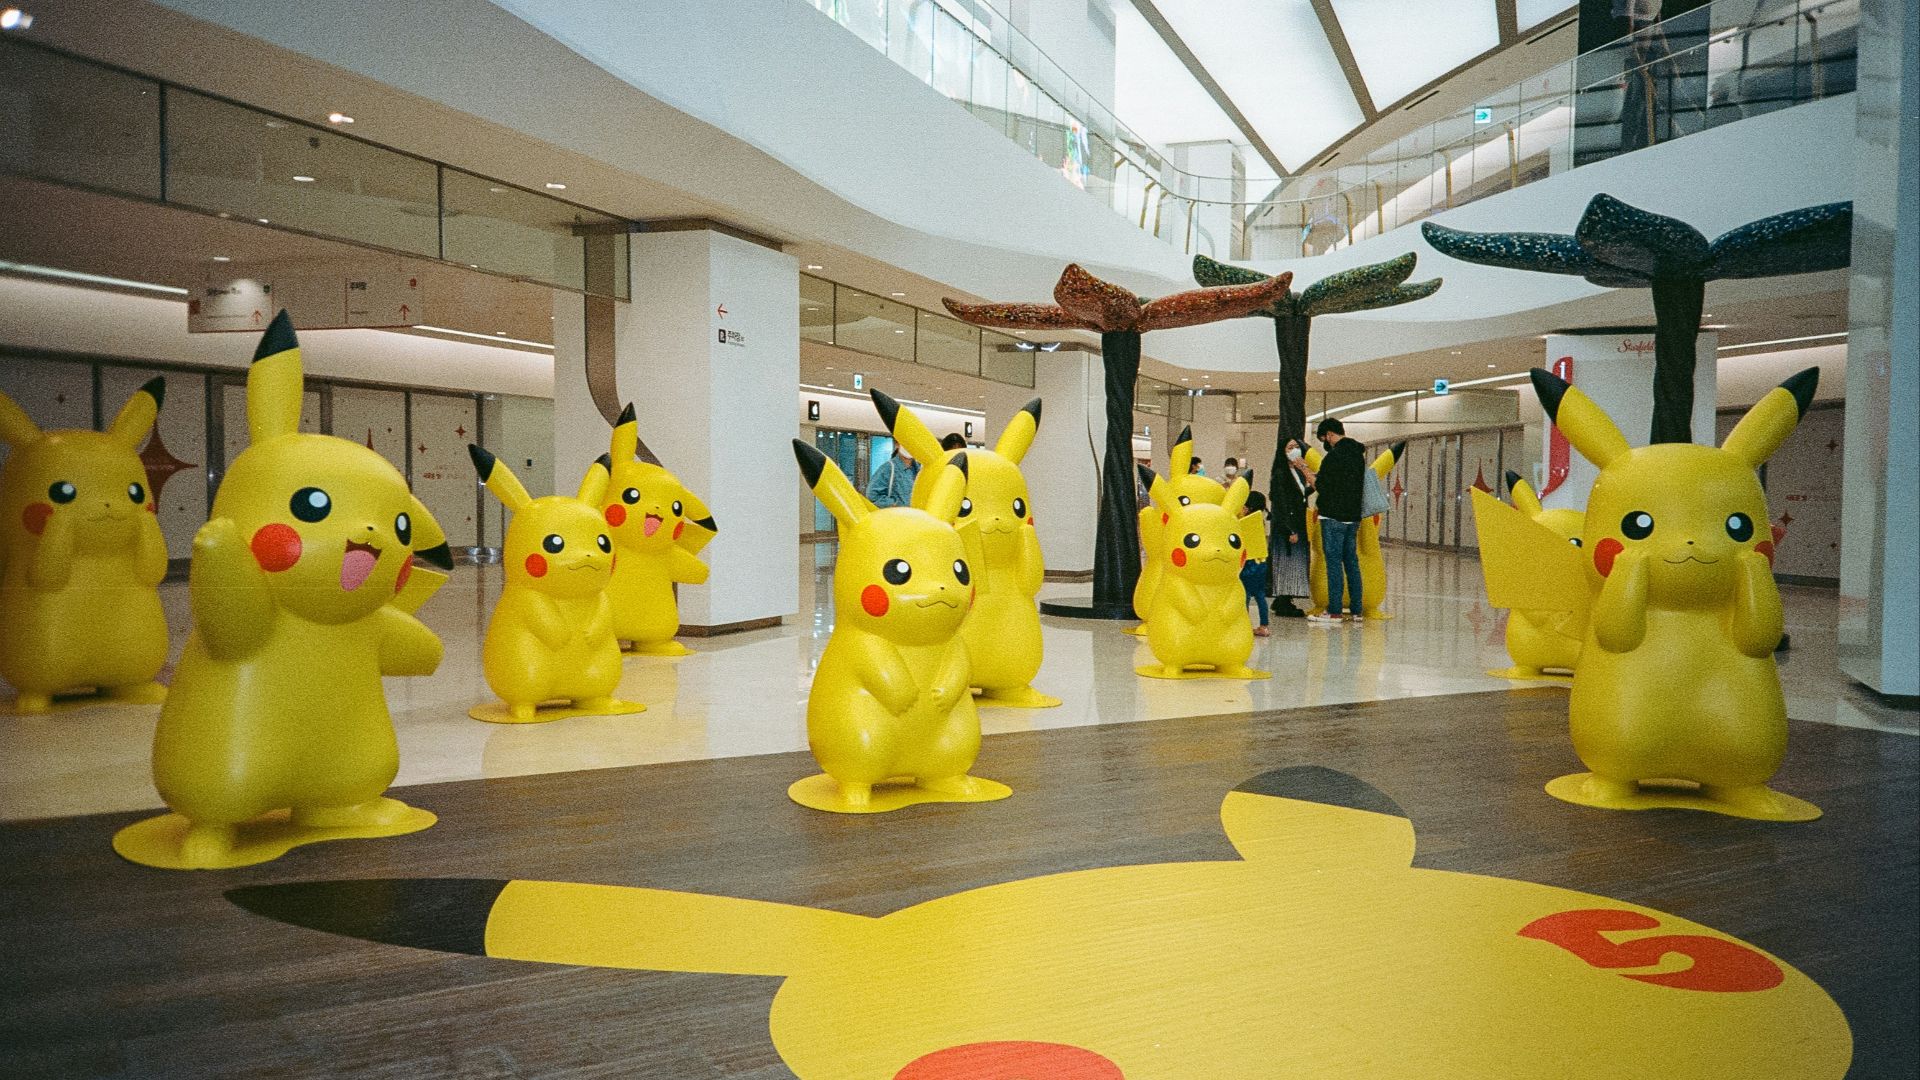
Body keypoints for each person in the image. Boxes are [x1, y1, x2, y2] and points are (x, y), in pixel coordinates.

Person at [1292, 418, 1366, 623]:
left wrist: (1303, 468)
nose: (1326, 442)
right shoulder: (1357, 455)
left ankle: (1334, 611)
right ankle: (1357, 610)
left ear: (1330, 434)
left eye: (1325, 438)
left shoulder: (1334, 457)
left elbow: (1321, 486)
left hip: (1332, 515)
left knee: (1333, 563)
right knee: (1351, 562)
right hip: (1353, 517)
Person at [1239, 468, 1271, 636]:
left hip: (1249, 563)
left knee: (1244, 594)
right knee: (1260, 595)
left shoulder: (1246, 521)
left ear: (1247, 507)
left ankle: (1243, 624)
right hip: (1261, 562)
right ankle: (1264, 625)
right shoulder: (1260, 519)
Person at [865, 441, 918, 509]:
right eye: (906, 443)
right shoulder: (888, 468)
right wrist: (894, 505)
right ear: (897, 444)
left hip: (917, 516)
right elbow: (872, 495)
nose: (909, 447)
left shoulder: (919, 469)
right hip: (898, 517)